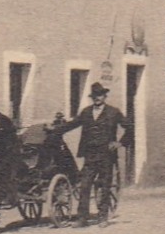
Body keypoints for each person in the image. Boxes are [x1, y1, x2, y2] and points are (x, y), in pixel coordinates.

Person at [55, 82, 129, 226]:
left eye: (100, 95)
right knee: (85, 185)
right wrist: (56, 130)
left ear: (104, 96)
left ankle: (103, 217)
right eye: (95, 95)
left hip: (107, 155)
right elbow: (73, 124)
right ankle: (82, 218)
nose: (97, 98)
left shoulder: (114, 112)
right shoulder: (86, 112)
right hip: (90, 154)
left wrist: (119, 143)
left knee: (105, 185)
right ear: (92, 97)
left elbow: (129, 127)